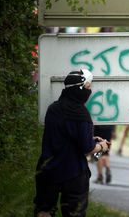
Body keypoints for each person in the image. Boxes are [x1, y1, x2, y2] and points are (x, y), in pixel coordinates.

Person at [34, 69, 110, 217]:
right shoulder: (82, 114)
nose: (89, 91)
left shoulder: (52, 109)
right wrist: (102, 146)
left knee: (44, 210)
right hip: (73, 173)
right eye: (88, 87)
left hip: (48, 170)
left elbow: (64, 135)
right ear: (80, 89)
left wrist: (89, 138)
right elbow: (88, 148)